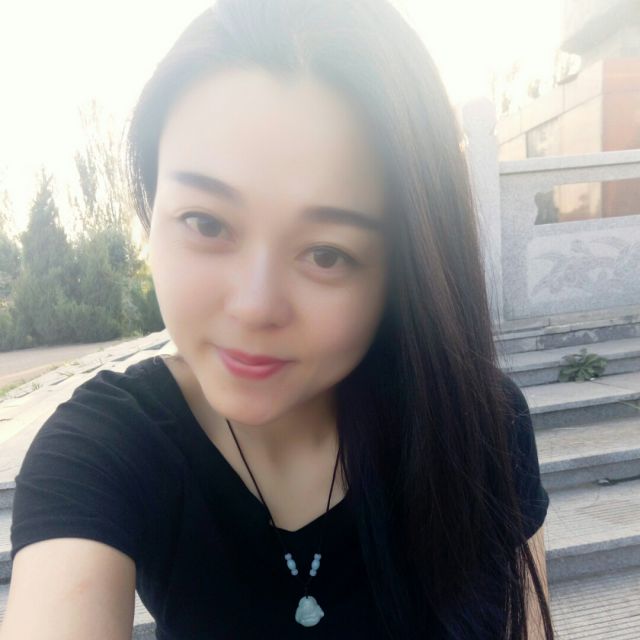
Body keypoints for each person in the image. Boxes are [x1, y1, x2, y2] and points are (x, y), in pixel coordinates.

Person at [3, 0, 553, 638]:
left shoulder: (477, 425)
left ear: (405, 267)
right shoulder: (104, 448)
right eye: (206, 223)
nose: (255, 306)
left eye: (327, 254)